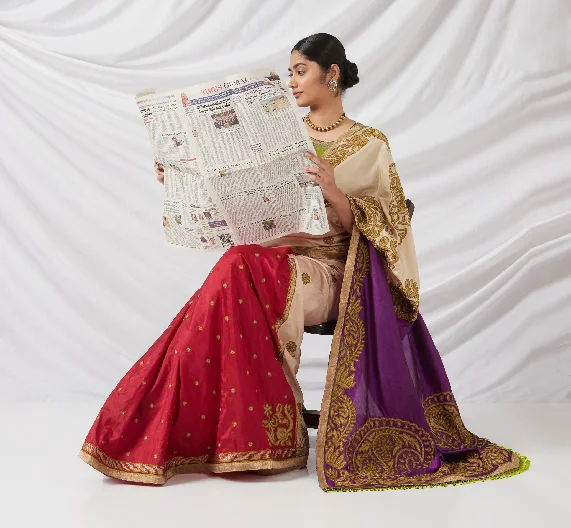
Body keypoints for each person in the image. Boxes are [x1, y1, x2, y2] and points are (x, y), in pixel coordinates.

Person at [79, 33, 529, 489]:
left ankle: (234, 428)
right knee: (239, 262)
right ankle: (234, 431)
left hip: (334, 275)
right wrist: (182, 176)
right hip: (266, 265)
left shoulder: (371, 144)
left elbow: (390, 228)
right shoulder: (274, 137)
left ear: (331, 75)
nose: (291, 82)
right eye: (289, 71)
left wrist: (333, 189)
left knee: (239, 268)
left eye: (300, 71)